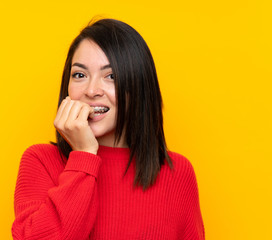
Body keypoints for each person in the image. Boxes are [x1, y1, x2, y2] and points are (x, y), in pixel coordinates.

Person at [12, 18, 205, 239]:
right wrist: (83, 155)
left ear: (138, 86)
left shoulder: (177, 173)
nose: (92, 90)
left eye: (111, 76)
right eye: (80, 75)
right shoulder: (40, 161)